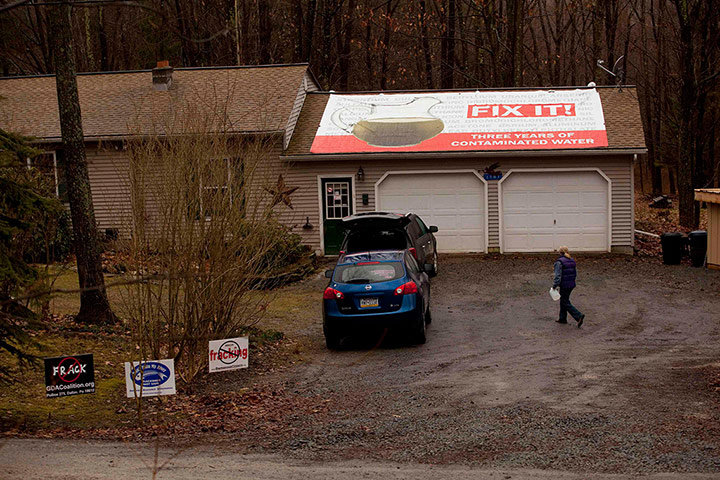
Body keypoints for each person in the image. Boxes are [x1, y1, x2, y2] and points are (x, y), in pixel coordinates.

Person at [552, 246, 585, 328]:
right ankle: (562, 318)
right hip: (571, 284)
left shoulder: (559, 262)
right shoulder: (571, 260)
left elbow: (558, 276)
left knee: (564, 301)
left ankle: (578, 316)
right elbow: (574, 273)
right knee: (564, 299)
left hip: (564, 284)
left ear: (560, 253)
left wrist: (554, 286)